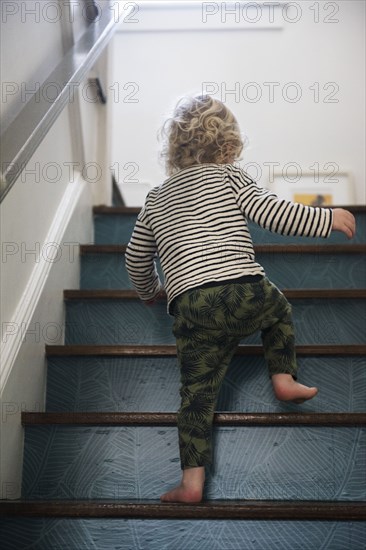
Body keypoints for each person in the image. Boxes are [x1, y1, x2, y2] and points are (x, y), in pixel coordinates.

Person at [125, 95, 356, 504]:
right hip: (245, 289)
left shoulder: (156, 199)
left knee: (195, 398)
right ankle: (283, 377)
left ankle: (191, 483)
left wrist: (149, 292)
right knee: (279, 309)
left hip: (192, 307)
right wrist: (327, 218)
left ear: (173, 147)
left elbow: (135, 257)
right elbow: (273, 213)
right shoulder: (230, 177)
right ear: (230, 144)